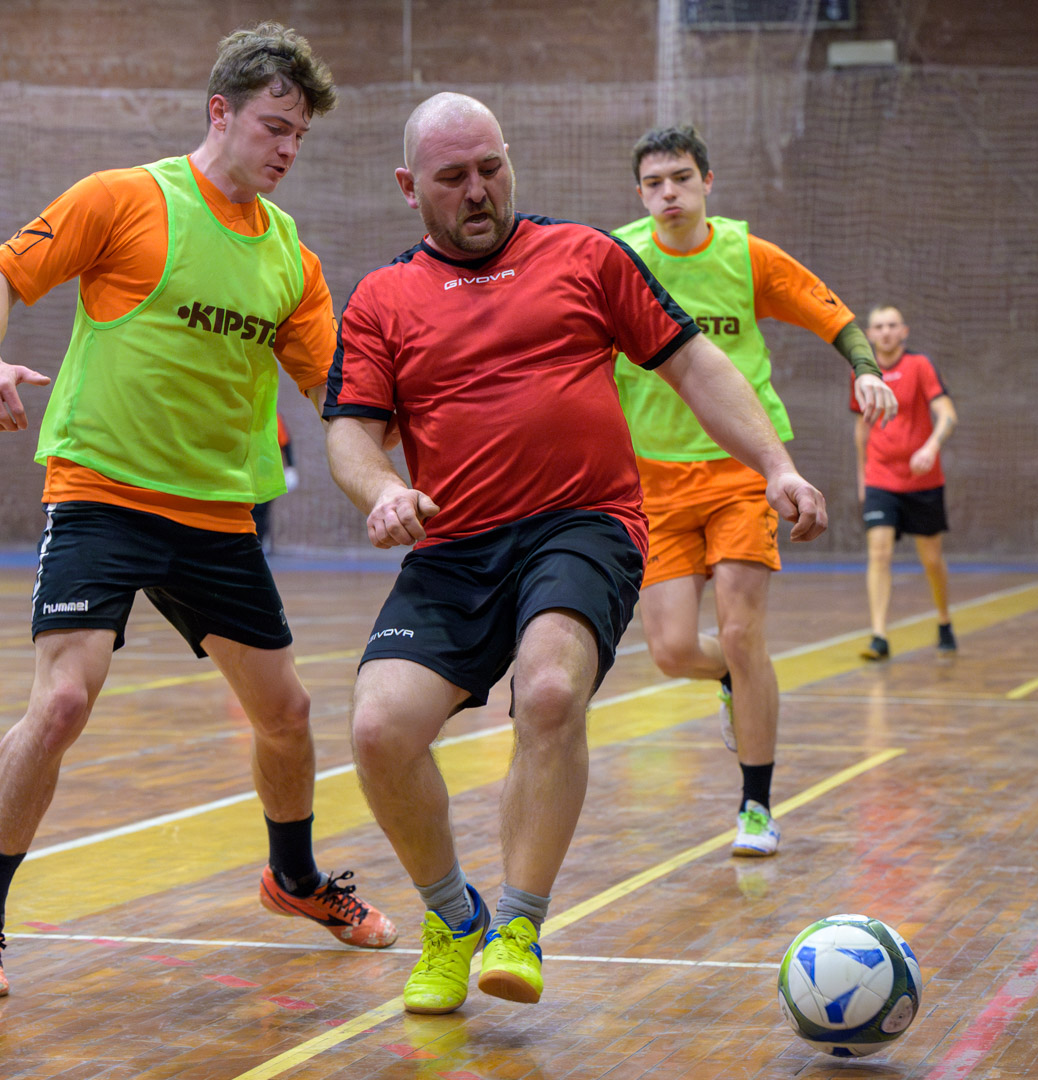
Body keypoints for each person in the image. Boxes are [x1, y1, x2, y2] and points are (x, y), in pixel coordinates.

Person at [322, 93, 828, 1015]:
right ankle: (452, 918)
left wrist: (776, 466)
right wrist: (384, 491)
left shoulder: (586, 256)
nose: (478, 190)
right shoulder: (382, 297)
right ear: (408, 187)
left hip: (581, 524)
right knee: (378, 730)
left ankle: (518, 925)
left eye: (491, 168)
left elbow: (693, 364)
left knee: (550, 690)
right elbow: (350, 432)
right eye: (452, 177)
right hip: (453, 546)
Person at [0, 23, 395, 999]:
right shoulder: (124, 199)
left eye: (299, 136)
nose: (286, 148)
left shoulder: (291, 259)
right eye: (273, 127)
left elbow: (341, 396)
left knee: (286, 716)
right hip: (102, 494)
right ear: (219, 113)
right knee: (63, 702)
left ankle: (294, 878)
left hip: (217, 517)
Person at [610, 125, 896, 858]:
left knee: (742, 634)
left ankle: (756, 807)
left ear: (707, 181)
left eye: (680, 178)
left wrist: (865, 369)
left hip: (744, 472)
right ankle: (733, 681)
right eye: (653, 184)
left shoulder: (744, 255)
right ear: (639, 194)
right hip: (655, 478)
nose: (668, 193)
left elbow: (829, 311)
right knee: (673, 650)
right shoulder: (619, 260)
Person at [854, 304, 958, 661]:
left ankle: (944, 620)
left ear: (903, 331)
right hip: (880, 477)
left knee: (931, 559)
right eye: (879, 326)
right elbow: (860, 429)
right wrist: (862, 477)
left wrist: (931, 447)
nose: (885, 332)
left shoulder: (920, 365)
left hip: (922, 480)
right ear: (869, 334)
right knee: (879, 552)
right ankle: (879, 636)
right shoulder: (862, 373)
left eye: (892, 325)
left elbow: (947, 413)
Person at [252, 412, 299, 551]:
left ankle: (258, 544)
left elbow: (285, 442)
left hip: (266, 475)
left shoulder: (272, 416)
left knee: (260, 512)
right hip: (249, 473)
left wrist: (291, 467)